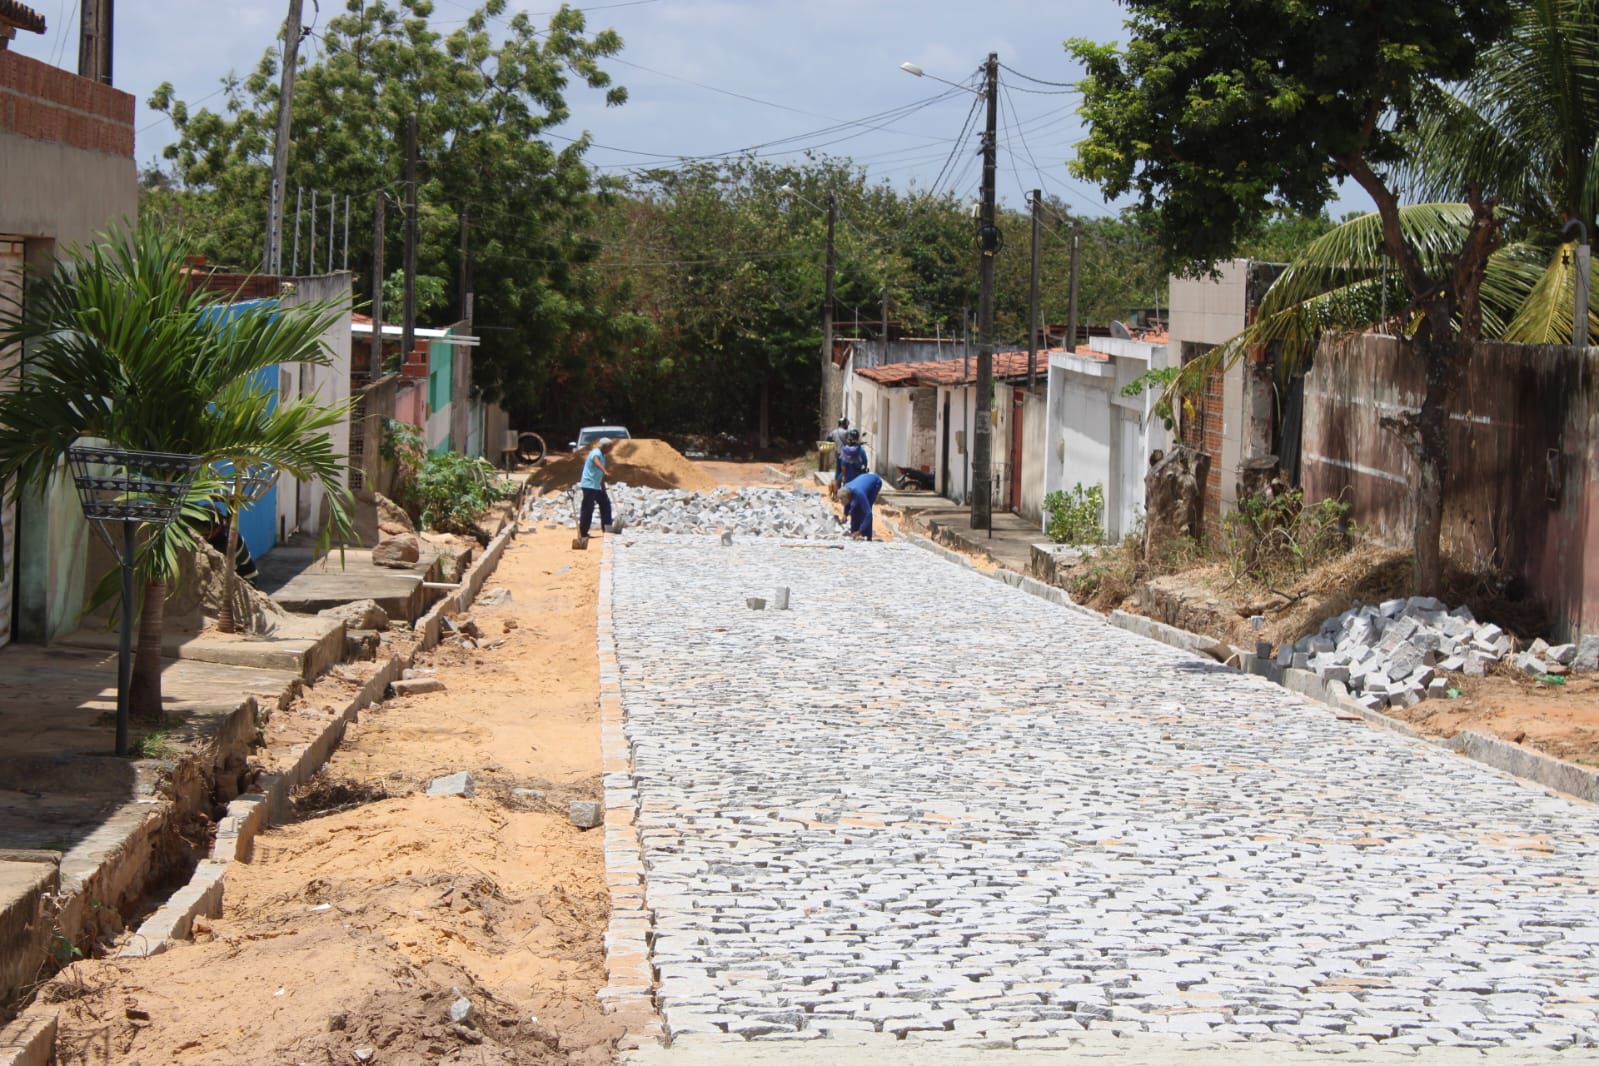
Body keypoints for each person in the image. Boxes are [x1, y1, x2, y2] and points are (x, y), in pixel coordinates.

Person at [577, 436, 617, 537]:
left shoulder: (603, 455)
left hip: (596, 485)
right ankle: (583, 532)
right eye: (610, 447)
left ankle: (607, 528)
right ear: (605, 446)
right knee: (588, 508)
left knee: (605, 504)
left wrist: (603, 486)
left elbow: (599, 473)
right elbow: (596, 462)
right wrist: (605, 471)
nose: (611, 449)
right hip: (589, 485)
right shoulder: (596, 453)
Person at [838, 470, 884, 541]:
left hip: (875, 482)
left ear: (849, 496)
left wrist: (860, 531)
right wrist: (845, 514)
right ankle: (854, 532)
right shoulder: (845, 488)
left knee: (864, 509)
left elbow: (868, 514)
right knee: (854, 509)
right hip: (863, 480)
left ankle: (867, 535)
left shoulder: (859, 493)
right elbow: (847, 503)